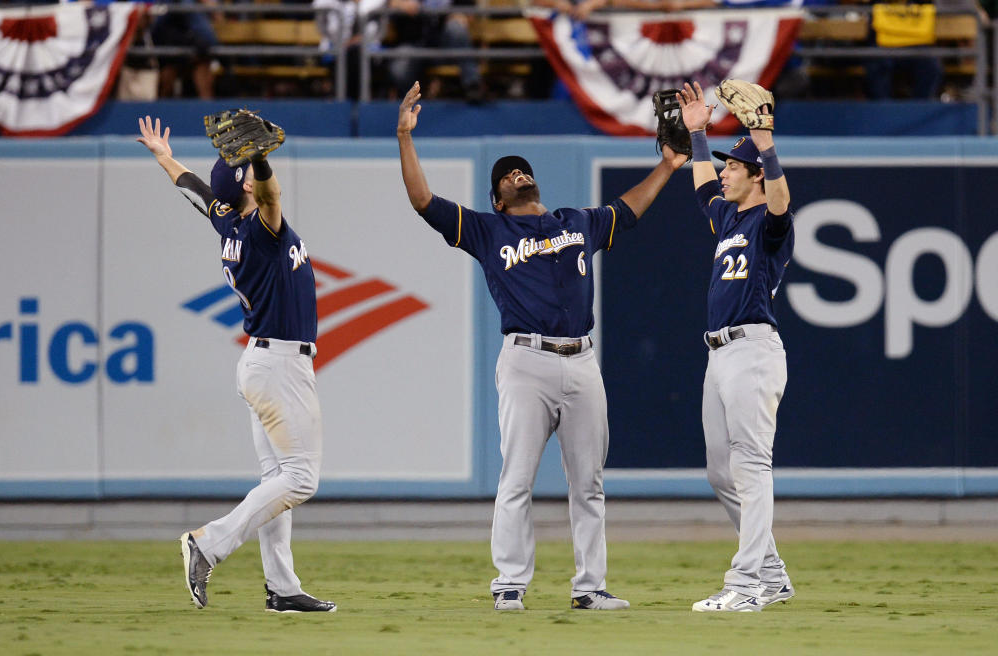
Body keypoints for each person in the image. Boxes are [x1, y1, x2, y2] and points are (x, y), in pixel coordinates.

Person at [396, 80, 688, 611]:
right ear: (497, 197)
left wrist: (668, 166)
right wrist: (405, 138)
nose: (516, 171)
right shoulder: (486, 230)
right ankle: (509, 585)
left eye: (520, 167)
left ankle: (590, 587)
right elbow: (422, 200)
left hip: (582, 360)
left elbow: (629, 210)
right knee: (516, 479)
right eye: (505, 172)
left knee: (590, 483)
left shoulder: (576, 222)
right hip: (526, 361)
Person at [135, 116, 335, 614]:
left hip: (262, 362)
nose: (253, 173)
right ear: (245, 186)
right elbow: (268, 196)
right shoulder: (260, 228)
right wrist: (261, 157)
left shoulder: (227, 219)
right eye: (246, 170)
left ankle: (282, 589)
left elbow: (196, 188)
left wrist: (164, 156)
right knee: (301, 480)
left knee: (276, 479)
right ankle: (209, 544)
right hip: (281, 366)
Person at [676, 81, 795, 612]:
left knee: (750, 465)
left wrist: (764, 142)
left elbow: (782, 197)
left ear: (753, 176)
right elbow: (702, 187)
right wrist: (698, 133)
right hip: (718, 354)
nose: (723, 171)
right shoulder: (727, 215)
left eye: (732, 166)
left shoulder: (770, 223)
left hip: (752, 349)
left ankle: (745, 586)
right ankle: (771, 573)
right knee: (721, 473)